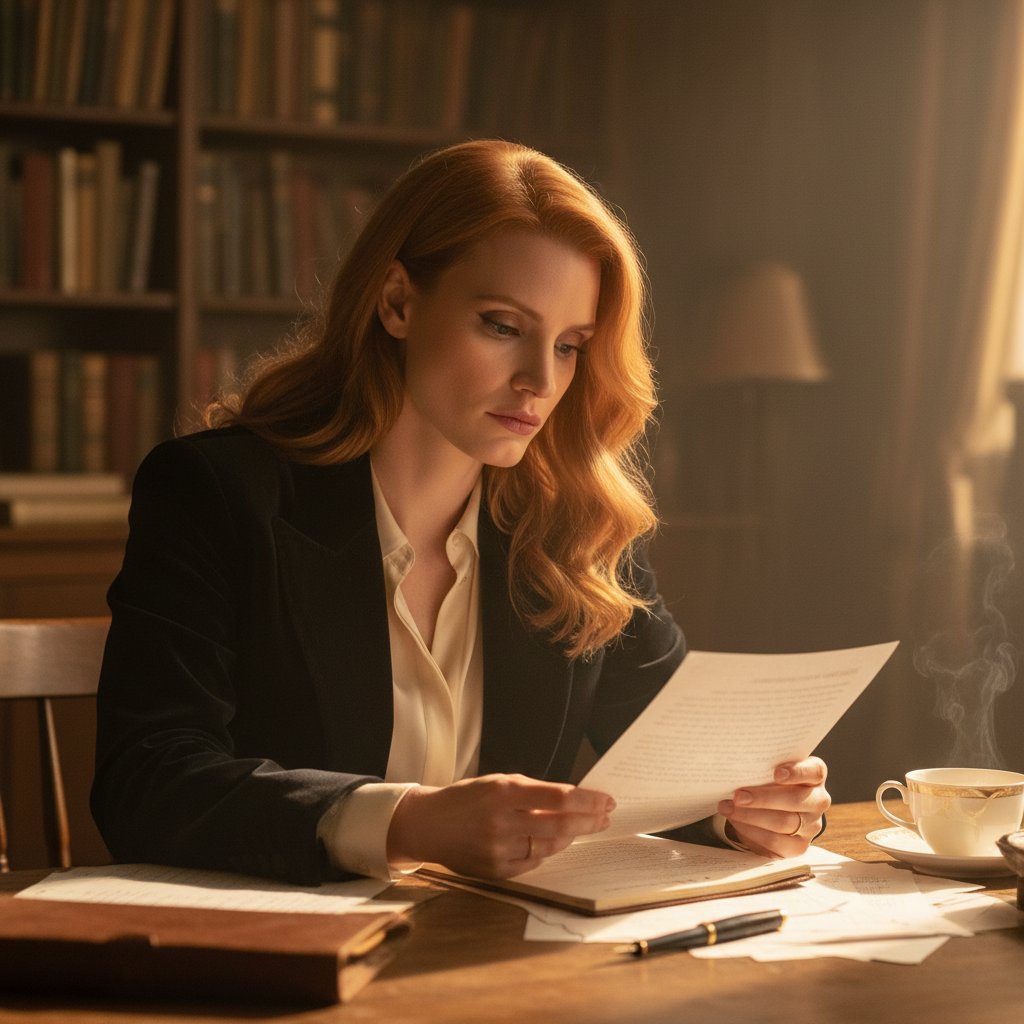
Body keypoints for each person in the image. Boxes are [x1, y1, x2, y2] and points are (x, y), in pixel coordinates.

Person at [91, 140, 830, 886]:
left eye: (571, 346)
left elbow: (682, 760)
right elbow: (147, 783)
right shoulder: (216, 492)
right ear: (398, 302)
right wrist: (407, 821)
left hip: (494, 966)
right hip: (283, 972)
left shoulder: (576, 525)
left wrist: (748, 809)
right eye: (504, 327)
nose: (540, 380)